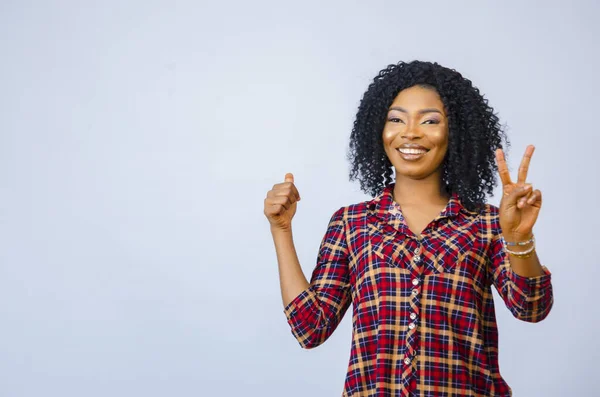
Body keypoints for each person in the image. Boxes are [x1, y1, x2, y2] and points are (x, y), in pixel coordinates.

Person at [263, 60, 553, 397]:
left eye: (430, 121)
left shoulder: (488, 223)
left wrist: (519, 238)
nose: (410, 132)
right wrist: (281, 229)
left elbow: (531, 307)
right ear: (379, 130)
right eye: (396, 119)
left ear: (455, 131)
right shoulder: (351, 224)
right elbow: (310, 328)